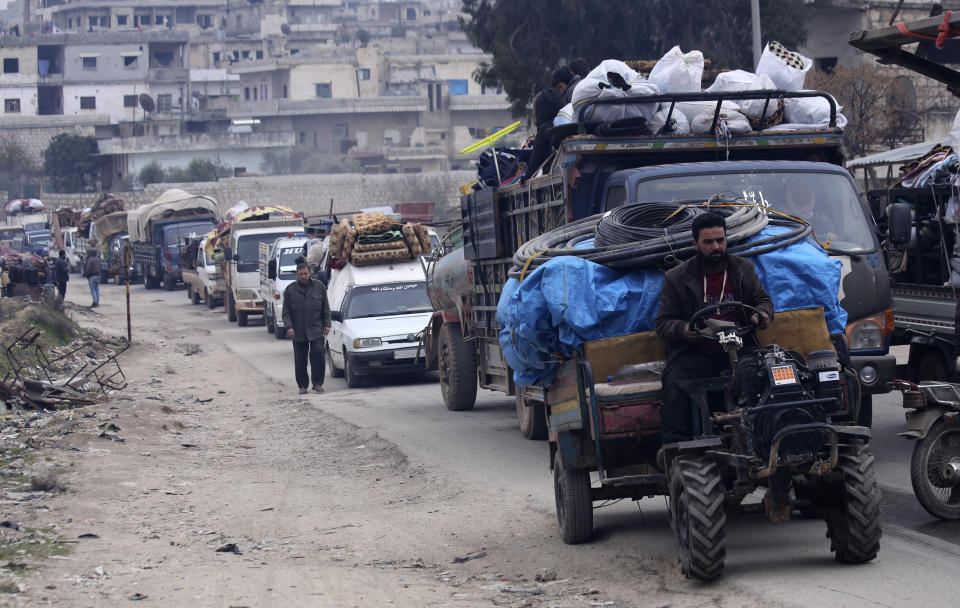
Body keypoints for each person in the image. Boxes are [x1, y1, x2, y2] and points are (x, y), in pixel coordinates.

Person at [655, 212, 774, 446]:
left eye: (720, 240)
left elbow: (763, 301)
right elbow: (663, 323)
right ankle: (676, 449)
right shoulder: (676, 277)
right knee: (674, 382)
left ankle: (769, 434)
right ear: (695, 244)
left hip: (740, 346)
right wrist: (684, 329)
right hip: (697, 351)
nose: (716, 246)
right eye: (708, 242)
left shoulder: (743, 269)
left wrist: (762, 315)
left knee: (767, 374)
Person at [282, 261, 331, 394]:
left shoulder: (319, 287)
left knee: (318, 354)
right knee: (300, 359)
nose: (303, 276)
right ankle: (302, 385)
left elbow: (325, 307)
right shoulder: (290, 290)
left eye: (305, 273)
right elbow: (286, 312)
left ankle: (317, 383)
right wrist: (289, 327)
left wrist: (327, 324)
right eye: (300, 274)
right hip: (298, 331)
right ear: (297, 275)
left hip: (315, 328)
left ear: (309, 273)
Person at [522, 67, 573, 182]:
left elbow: (537, 156)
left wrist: (527, 176)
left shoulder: (545, 129)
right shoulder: (568, 120)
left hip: (555, 174)